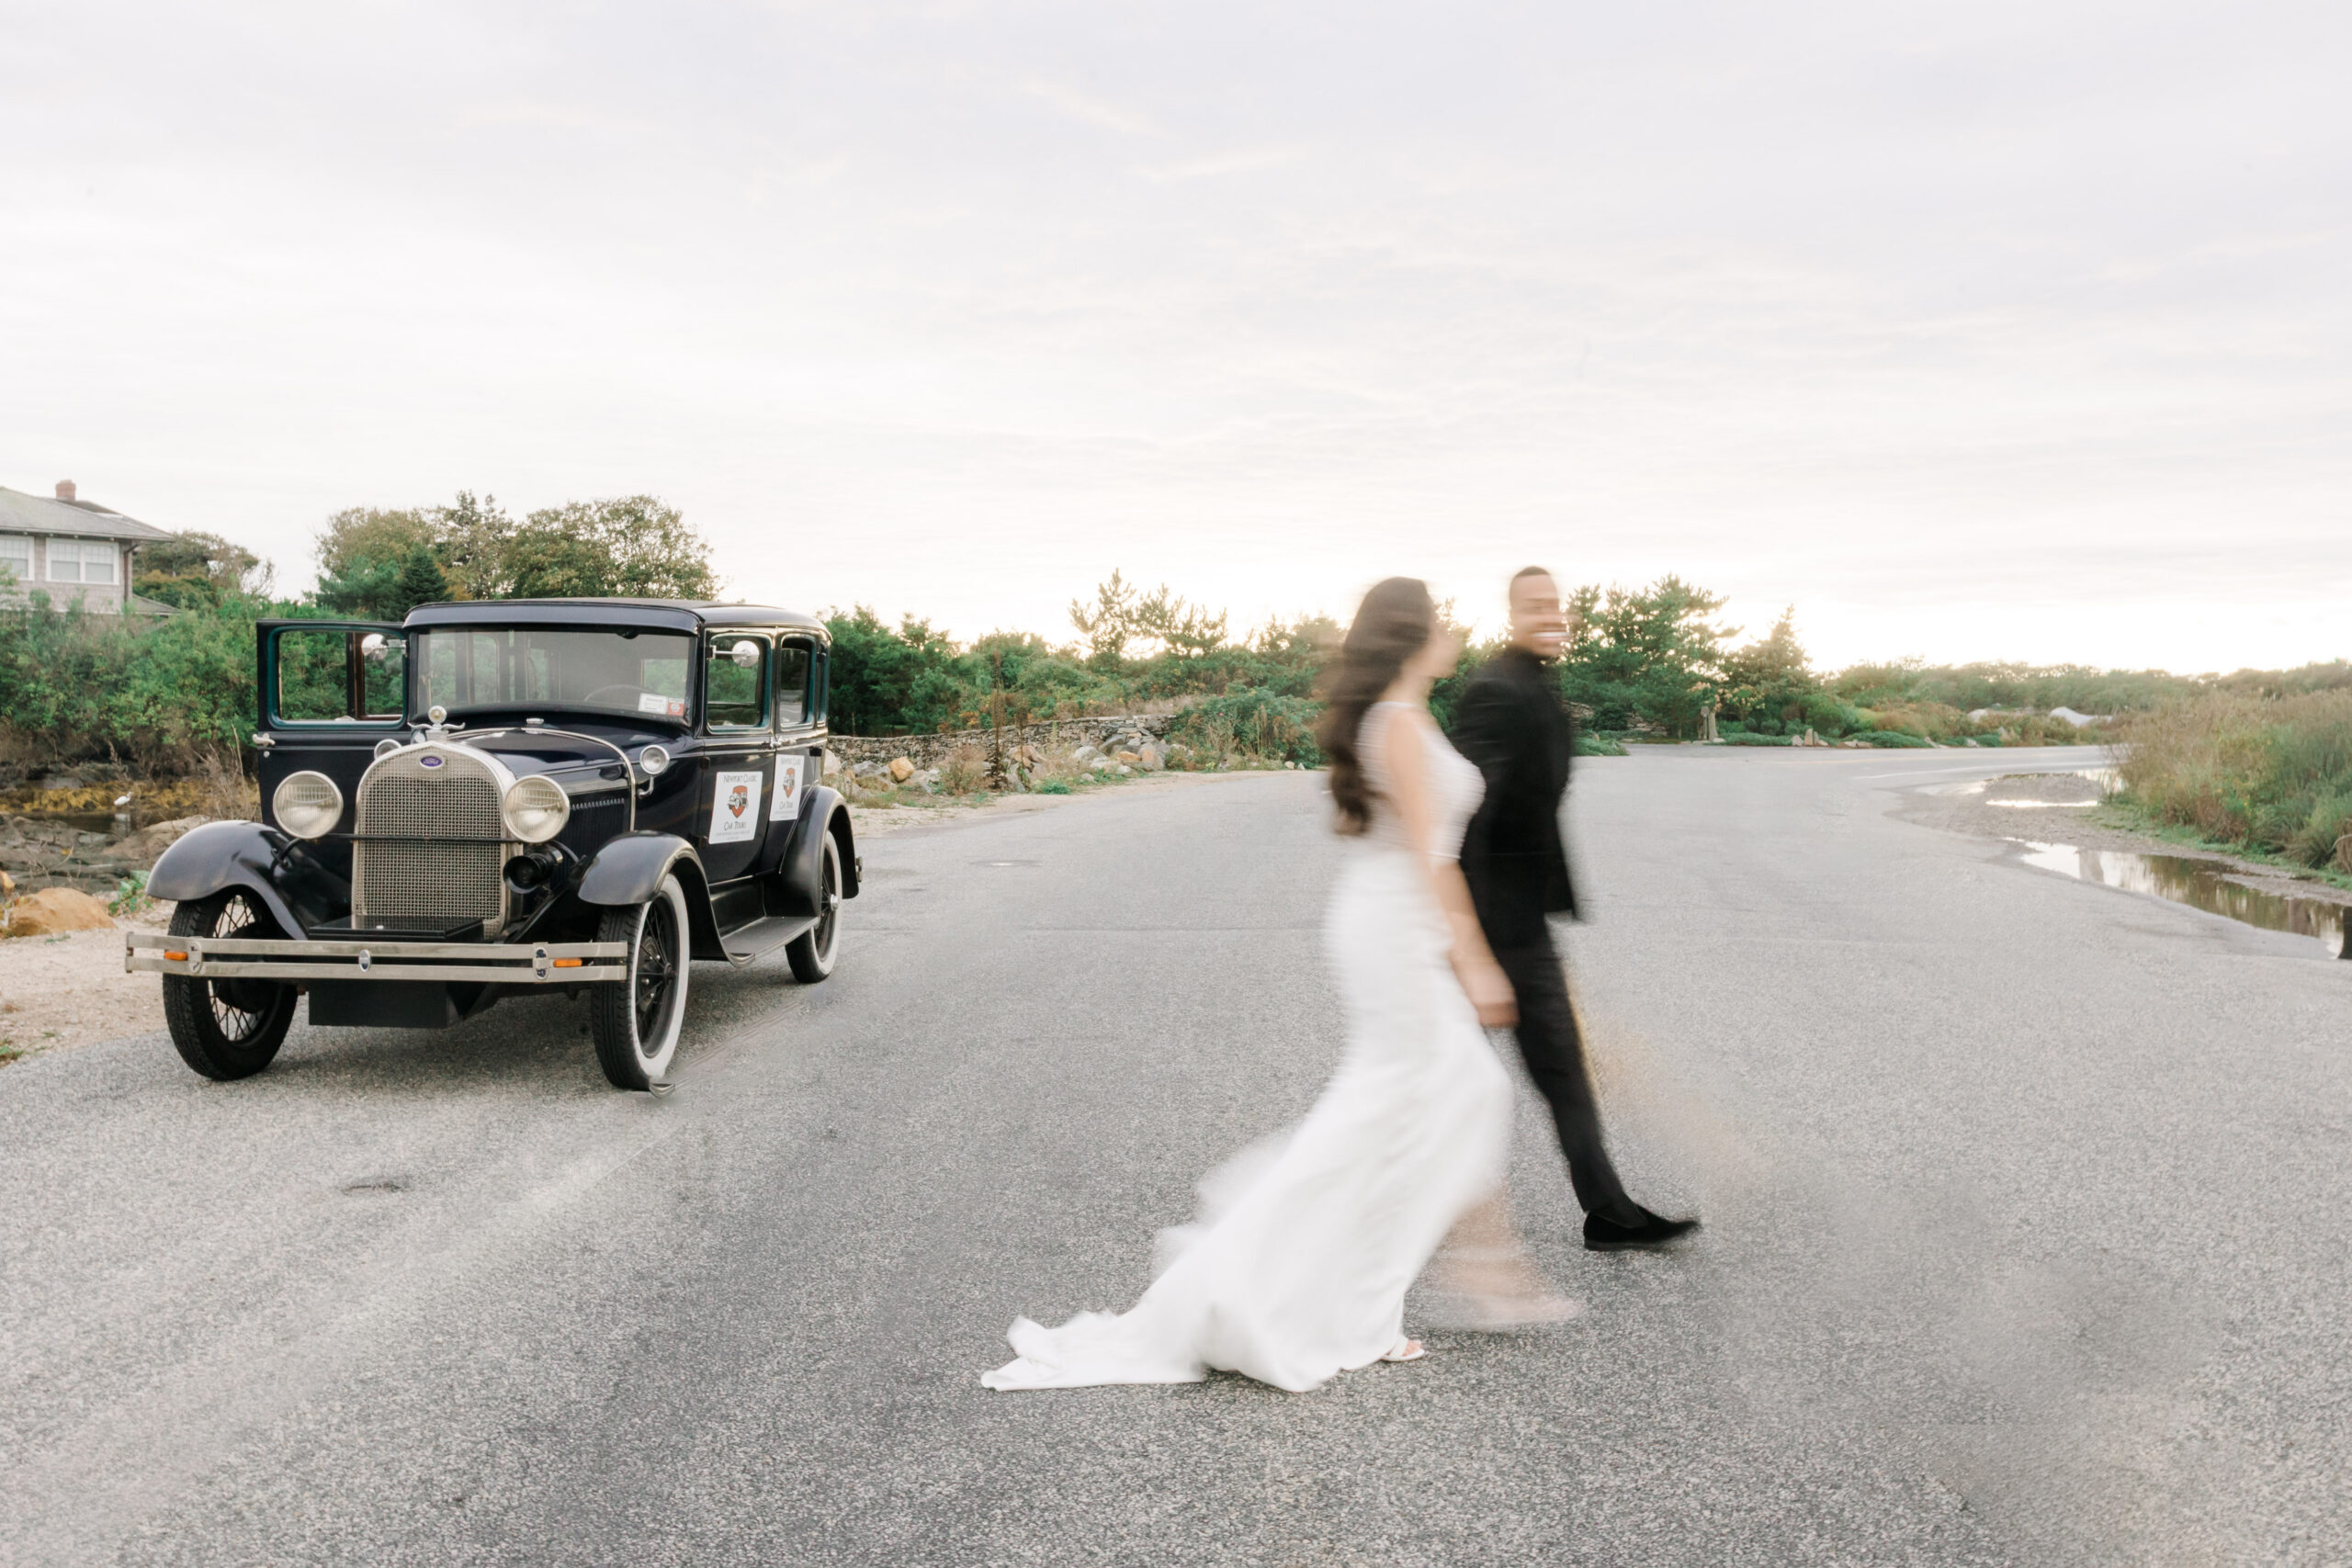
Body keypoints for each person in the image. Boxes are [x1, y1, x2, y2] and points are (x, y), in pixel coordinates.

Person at [981, 578, 1570, 1394]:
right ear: (1412, 635)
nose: (1453, 630)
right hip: (1397, 926)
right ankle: (1345, 1305)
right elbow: (1435, 861)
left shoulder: (1405, 712)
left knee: (1434, 1095)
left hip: (1391, 921)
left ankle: (1369, 1293)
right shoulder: (1399, 723)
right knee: (1427, 1096)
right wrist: (1474, 960)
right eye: (1440, 619)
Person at [1452, 567, 1699, 1251]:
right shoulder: (1496, 690)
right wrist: (1470, 946)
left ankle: (1610, 1210)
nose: (1551, 613)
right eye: (1535, 605)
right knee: (1443, 1080)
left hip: (1524, 922)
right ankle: (1383, 1215)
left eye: (1556, 602)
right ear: (1511, 613)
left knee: (1562, 1068)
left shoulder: (1537, 682)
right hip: (1491, 926)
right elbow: (1466, 818)